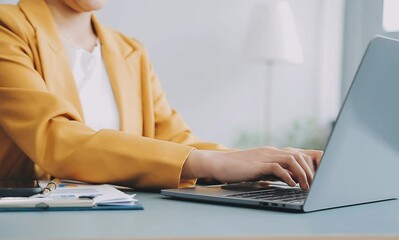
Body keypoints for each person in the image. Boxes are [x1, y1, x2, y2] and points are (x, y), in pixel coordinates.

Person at [0, 0, 322, 191]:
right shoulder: (7, 29)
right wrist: (216, 163)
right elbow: (58, 140)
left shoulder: (130, 52)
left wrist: (263, 164)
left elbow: (175, 141)